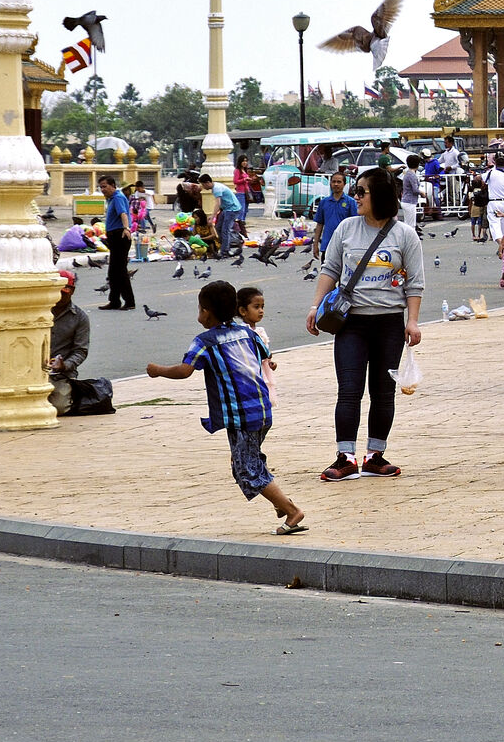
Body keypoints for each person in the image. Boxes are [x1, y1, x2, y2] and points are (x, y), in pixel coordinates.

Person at [147, 280, 308, 536]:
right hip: (262, 410)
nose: (199, 314)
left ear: (206, 312)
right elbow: (265, 355)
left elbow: (185, 370)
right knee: (246, 460)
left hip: (240, 416)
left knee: (246, 468)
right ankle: (278, 502)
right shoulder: (248, 333)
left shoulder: (205, 341)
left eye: (200, 309)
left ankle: (291, 510)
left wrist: (158, 371)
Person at [307, 169, 425, 481]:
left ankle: (375, 456)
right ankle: (345, 457)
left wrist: (412, 321)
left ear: (381, 197)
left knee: (384, 392)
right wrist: (315, 305)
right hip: (351, 325)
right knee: (349, 390)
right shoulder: (347, 229)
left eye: (362, 192)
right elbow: (330, 269)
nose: (355, 197)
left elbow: (414, 284)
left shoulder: (404, 235)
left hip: (388, 325)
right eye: (355, 191)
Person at [48, 270, 90, 416]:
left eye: (64, 291)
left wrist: (64, 365)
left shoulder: (79, 317)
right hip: (33, 370)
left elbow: (81, 351)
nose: (59, 296)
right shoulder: (38, 310)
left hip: (60, 374)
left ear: (72, 291)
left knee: (59, 408)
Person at [96, 175, 135, 310]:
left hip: (120, 235)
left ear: (113, 185)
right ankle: (114, 301)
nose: (102, 189)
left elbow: (123, 214)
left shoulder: (117, 197)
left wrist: (126, 228)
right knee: (113, 272)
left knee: (120, 271)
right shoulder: (112, 198)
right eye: (101, 187)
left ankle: (129, 302)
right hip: (114, 236)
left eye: (105, 186)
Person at [311, 171, 359, 258]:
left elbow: (355, 225)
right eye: (333, 181)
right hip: (327, 245)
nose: (336, 184)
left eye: (339, 182)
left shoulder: (351, 202)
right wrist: (315, 245)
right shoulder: (324, 202)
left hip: (345, 246)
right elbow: (319, 225)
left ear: (344, 184)